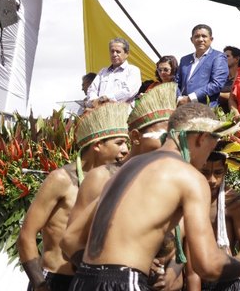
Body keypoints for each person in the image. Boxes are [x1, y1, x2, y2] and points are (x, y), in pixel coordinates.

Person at [71, 103, 240, 291]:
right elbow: (208, 264)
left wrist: (100, 273)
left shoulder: (126, 169)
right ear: (201, 138)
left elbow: (70, 239)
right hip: (125, 281)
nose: (204, 162)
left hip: (81, 280)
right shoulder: (189, 177)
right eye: (211, 147)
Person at [60, 83, 178, 285]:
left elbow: (178, 244)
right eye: (163, 138)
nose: (170, 144)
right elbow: (72, 243)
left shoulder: (167, 179)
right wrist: (115, 272)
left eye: (175, 138)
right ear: (135, 138)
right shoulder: (102, 177)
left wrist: (172, 272)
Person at [18, 104, 130, 291]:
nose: (126, 150)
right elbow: (26, 236)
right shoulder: (61, 179)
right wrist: (40, 285)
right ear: (98, 145)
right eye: (119, 143)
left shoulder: (115, 182)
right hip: (54, 281)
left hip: (93, 282)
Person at [197, 142, 240, 291]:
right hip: (195, 275)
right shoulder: (190, 200)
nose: (212, 180)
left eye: (218, 173)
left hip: (227, 278)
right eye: (205, 172)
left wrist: (235, 266)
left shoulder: (233, 201)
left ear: (226, 170)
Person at [177, 25, 229, 108]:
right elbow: (176, 83)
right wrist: (179, 98)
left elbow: (217, 84)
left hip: (205, 110)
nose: (200, 39)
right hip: (183, 109)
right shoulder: (184, 60)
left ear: (211, 39)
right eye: (197, 36)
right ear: (192, 40)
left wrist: (191, 98)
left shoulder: (218, 57)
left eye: (204, 36)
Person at [85, 38, 142, 108]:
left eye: (118, 52)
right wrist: (94, 101)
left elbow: (129, 91)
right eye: (112, 51)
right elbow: (92, 90)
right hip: (100, 113)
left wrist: (106, 99)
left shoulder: (133, 70)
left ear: (126, 54)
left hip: (122, 114)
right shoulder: (103, 72)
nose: (114, 54)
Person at [220, 47, 240, 113]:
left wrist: (216, 94)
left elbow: (238, 96)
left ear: (237, 59)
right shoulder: (221, 78)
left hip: (236, 116)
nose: (223, 59)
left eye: (227, 56)